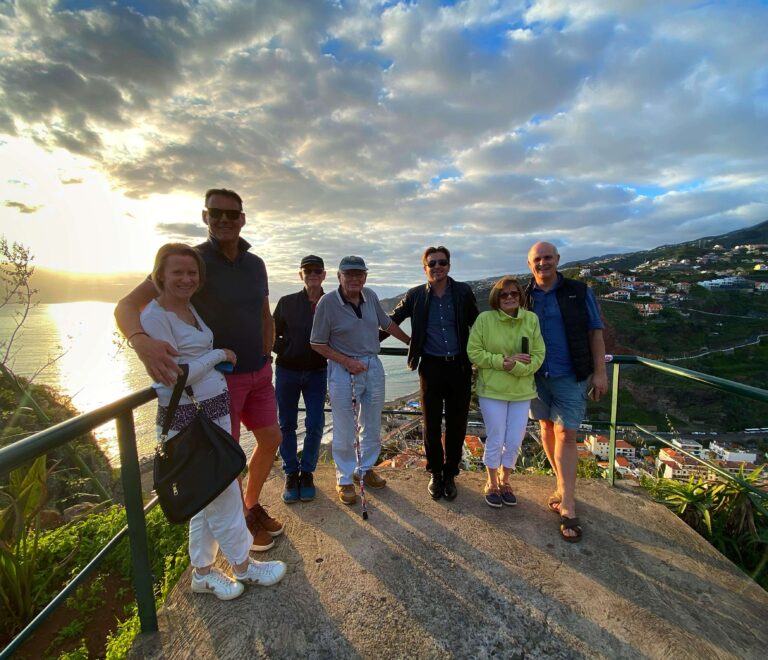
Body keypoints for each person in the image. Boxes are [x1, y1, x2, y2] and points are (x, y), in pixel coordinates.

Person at [115, 188, 284, 553]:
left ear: (243, 218)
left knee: (271, 439)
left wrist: (267, 352)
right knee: (225, 455)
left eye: (232, 214)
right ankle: (239, 521)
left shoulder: (256, 264)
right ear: (205, 217)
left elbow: (262, 310)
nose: (224, 219)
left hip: (258, 372)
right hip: (218, 381)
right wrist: (141, 341)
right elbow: (128, 305)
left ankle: (250, 505)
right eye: (216, 213)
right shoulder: (191, 261)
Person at [140, 243, 286, 600]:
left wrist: (211, 358)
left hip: (212, 412)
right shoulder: (156, 316)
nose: (186, 279)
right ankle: (243, 566)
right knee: (223, 493)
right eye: (177, 272)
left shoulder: (189, 309)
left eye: (192, 273)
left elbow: (194, 355)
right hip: (191, 419)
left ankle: (202, 573)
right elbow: (174, 376)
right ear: (160, 275)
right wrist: (219, 355)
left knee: (208, 495)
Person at [523, 241, 608, 542]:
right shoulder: (523, 295)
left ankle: (569, 503)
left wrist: (600, 372)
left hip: (570, 375)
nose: (543, 263)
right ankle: (561, 485)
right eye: (537, 259)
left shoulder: (579, 291)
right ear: (529, 263)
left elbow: (595, 332)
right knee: (545, 427)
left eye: (548, 258)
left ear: (557, 260)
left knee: (567, 434)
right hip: (535, 377)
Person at [310, 256, 410, 505]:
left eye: (359, 274)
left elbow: (387, 324)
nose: (355, 279)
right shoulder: (327, 303)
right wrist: (347, 362)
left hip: (373, 366)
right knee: (345, 427)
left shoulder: (370, 296)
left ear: (365, 276)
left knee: (372, 422)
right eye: (349, 274)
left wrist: (412, 343)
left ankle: (364, 469)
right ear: (339, 277)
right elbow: (317, 343)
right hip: (343, 369)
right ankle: (344, 479)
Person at [388, 246, 479, 501]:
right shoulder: (415, 295)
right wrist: (406, 341)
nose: (437, 267)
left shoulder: (463, 292)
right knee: (430, 423)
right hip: (431, 366)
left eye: (442, 263)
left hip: (460, 366)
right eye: (432, 264)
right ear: (424, 268)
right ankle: (435, 472)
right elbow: (390, 321)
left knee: (457, 423)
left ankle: (450, 473)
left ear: (449, 266)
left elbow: (479, 324)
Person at [467, 277, 545, 508]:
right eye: (504, 294)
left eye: (514, 293)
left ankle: (505, 480)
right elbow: (474, 352)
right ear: (496, 298)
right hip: (492, 390)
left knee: (514, 440)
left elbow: (539, 355)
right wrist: (503, 362)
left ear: (520, 296)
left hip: (521, 391)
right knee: (496, 437)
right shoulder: (485, 319)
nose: (510, 297)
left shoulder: (531, 319)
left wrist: (518, 367)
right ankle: (491, 482)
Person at [273, 255, 327, 503]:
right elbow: (272, 333)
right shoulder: (286, 302)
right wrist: (285, 348)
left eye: (317, 270)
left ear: (324, 274)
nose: (313, 274)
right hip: (287, 370)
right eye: (308, 271)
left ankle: (307, 472)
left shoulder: (332, 303)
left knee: (315, 422)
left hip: (317, 372)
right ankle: (290, 472)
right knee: (286, 424)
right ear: (301, 275)